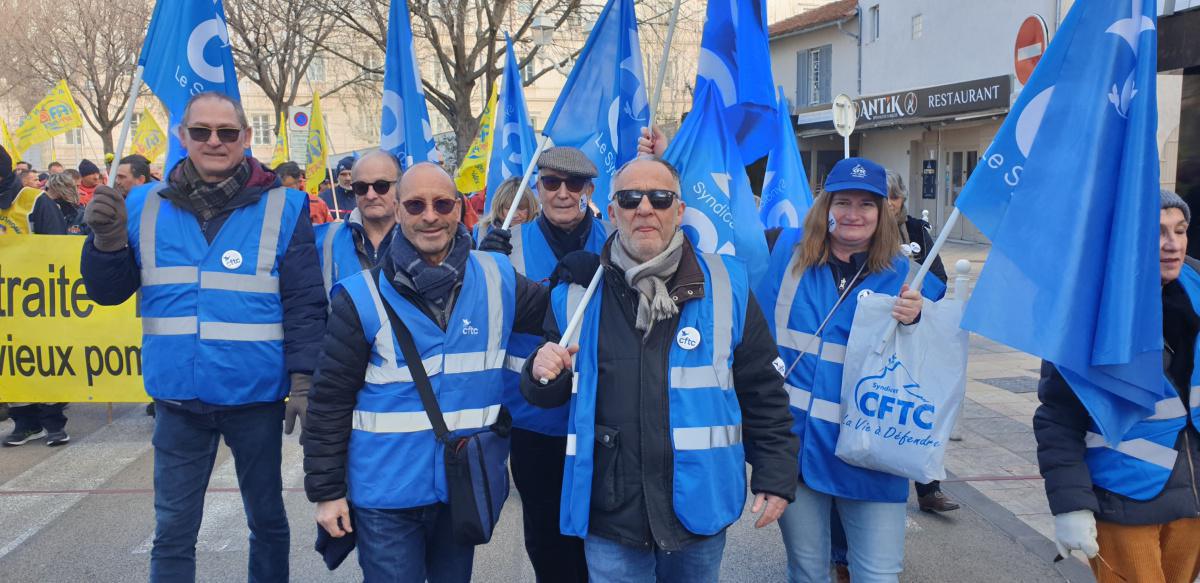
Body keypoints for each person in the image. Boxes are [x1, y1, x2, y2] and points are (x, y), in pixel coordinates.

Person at [80, 91, 327, 582]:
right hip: (177, 398)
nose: (215, 141)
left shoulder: (286, 206)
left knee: (268, 522)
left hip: (254, 396)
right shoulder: (143, 203)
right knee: (172, 532)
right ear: (182, 137)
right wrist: (105, 242)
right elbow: (108, 293)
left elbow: (304, 302)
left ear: (247, 138)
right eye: (202, 132)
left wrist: (304, 379)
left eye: (227, 132)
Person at [523, 156, 799, 583]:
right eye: (631, 199)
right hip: (610, 513)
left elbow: (763, 388)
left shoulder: (728, 284)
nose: (645, 208)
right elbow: (547, 394)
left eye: (660, 197)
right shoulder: (574, 294)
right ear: (612, 213)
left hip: (697, 507)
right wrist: (540, 375)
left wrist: (775, 474)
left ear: (680, 210)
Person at [302, 162, 550, 583]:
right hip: (386, 496)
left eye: (441, 204)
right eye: (416, 204)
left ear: (459, 209)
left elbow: (560, 315)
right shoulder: (360, 297)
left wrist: (586, 269)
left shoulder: (498, 277)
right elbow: (329, 402)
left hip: (460, 489)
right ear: (398, 211)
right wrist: (327, 493)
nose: (430, 215)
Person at [757, 157, 946, 583]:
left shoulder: (910, 279)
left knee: (877, 574)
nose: (853, 214)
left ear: (884, 213)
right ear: (825, 206)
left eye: (866, 204)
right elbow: (703, 232)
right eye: (843, 201)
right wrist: (659, 159)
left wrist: (920, 320)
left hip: (874, 454)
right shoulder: (782, 253)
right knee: (807, 571)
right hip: (797, 448)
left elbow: (942, 353)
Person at [1034, 190, 1200, 583]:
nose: (1172, 244)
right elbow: (1058, 416)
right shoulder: (1087, 310)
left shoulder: (1196, 289)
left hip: (1193, 500)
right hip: (1124, 496)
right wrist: (1070, 506)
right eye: (1157, 232)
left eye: (1180, 230)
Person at [477, 147, 615, 583]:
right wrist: (482, 266)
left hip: (599, 417)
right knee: (547, 537)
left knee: (601, 536)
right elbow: (480, 318)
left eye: (573, 184)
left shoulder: (616, 240)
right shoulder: (507, 244)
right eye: (551, 182)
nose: (561, 193)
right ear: (537, 187)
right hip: (533, 419)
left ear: (589, 190)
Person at [884, 171, 956, 513]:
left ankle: (929, 489)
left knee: (918, 406)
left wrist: (915, 293)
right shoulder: (858, 231)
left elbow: (939, 279)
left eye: (893, 198)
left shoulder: (915, 230)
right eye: (879, 197)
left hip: (913, 330)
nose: (886, 205)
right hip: (872, 334)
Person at [0, 145, 69, 447]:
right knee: (11, 362)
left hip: (37, 300)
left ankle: (53, 421)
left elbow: (57, 247)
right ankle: (25, 422)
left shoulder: (34, 201)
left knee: (44, 359)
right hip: (5, 304)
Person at [313, 151, 399, 297]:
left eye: (381, 186)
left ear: (400, 186)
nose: (371, 195)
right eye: (361, 187)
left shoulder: (421, 236)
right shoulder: (324, 239)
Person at [473, 177, 539, 240]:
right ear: (499, 207)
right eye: (508, 208)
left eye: (521, 208)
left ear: (531, 206)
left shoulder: (542, 231)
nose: (514, 215)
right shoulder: (483, 230)